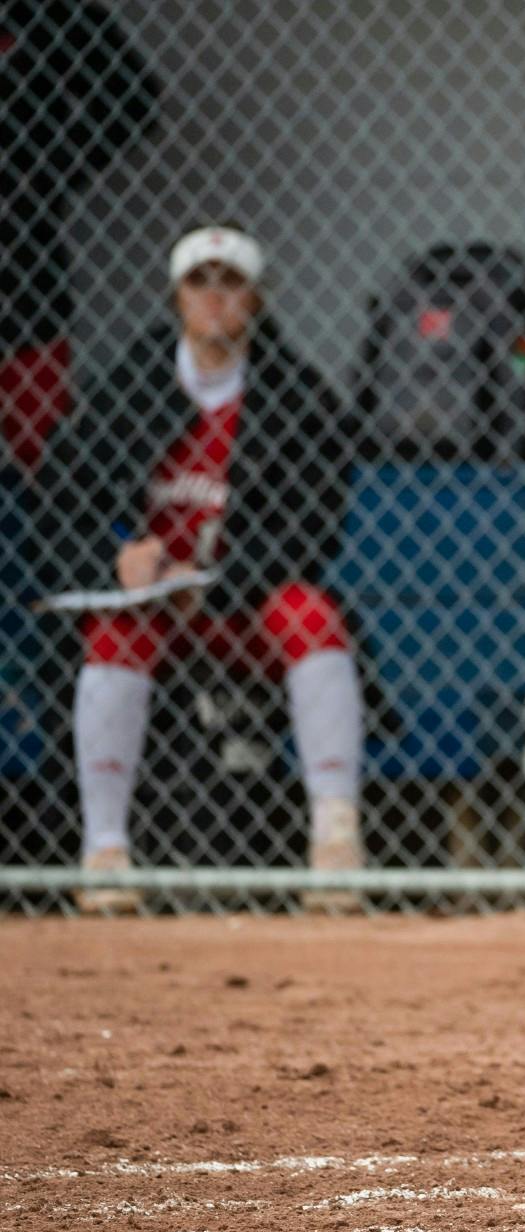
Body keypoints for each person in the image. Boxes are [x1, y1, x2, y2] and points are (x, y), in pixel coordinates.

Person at [37, 225, 364, 907]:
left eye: (231, 283)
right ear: (176, 297)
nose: (215, 300)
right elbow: (62, 508)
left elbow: (311, 531)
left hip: (237, 600)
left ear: (258, 299)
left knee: (311, 614)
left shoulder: (294, 396)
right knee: (111, 630)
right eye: (199, 283)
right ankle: (104, 852)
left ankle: (336, 842)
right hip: (150, 607)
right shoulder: (129, 387)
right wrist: (118, 558)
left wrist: (216, 582)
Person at [1, 0, 159, 478]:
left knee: (40, 453)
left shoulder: (51, 13)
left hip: (24, 274)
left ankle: (43, 547)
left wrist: (43, 176)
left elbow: (135, 100)